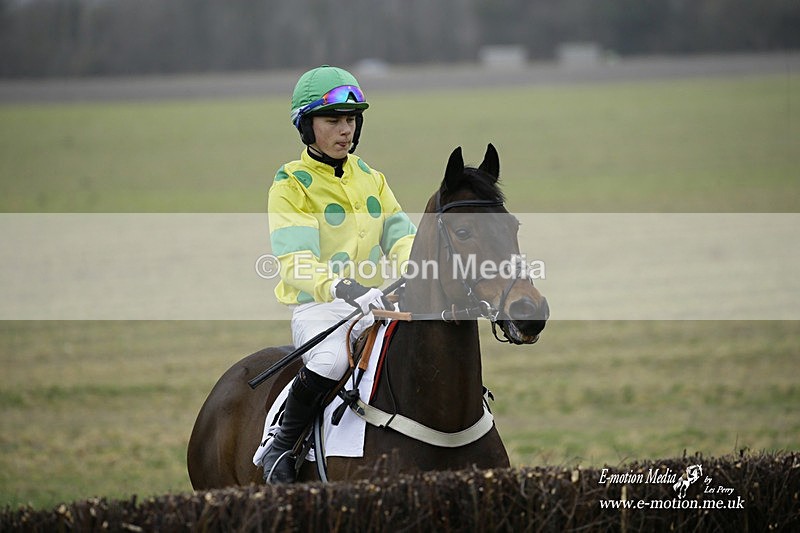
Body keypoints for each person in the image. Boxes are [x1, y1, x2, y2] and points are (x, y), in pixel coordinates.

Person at [262, 65, 416, 483]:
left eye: (351, 119)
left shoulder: (371, 178)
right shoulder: (290, 184)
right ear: (306, 127)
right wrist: (343, 287)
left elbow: (402, 237)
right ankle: (280, 447)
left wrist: (417, 270)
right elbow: (295, 261)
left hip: (373, 304)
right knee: (332, 361)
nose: (345, 129)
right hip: (320, 309)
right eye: (333, 120)